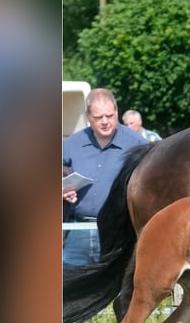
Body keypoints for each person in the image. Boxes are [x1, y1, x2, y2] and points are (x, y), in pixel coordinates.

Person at [62, 89, 147, 265]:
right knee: (71, 288)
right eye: (98, 117)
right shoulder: (72, 143)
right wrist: (62, 189)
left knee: (114, 290)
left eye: (109, 115)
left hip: (118, 232)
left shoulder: (137, 143)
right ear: (87, 116)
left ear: (116, 111)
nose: (105, 122)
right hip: (79, 231)